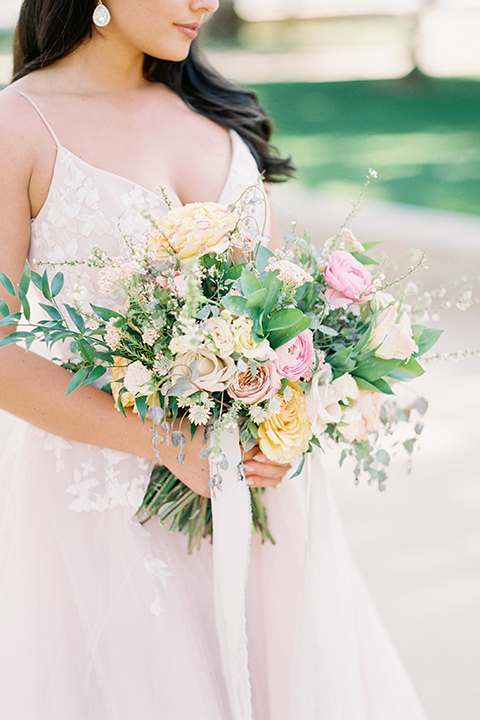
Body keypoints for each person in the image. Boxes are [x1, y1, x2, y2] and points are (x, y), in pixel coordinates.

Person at [0, 1, 429, 718]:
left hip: (254, 512)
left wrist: (289, 424)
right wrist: (166, 444)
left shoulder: (219, 120)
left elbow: (287, 314)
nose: (207, 1)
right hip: (101, 523)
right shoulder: (18, 127)